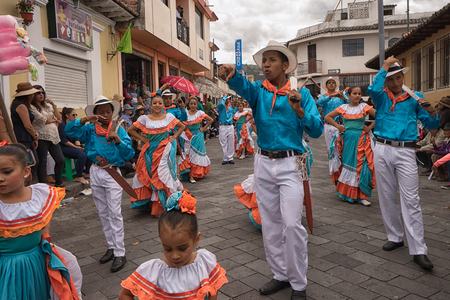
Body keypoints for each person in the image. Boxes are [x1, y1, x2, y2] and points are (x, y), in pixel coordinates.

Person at [219, 40, 323, 300]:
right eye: (264, 61)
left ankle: (299, 282)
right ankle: (280, 274)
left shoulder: (302, 94)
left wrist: (299, 109)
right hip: (263, 163)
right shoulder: (258, 91)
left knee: (291, 224)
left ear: (285, 65)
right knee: (271, 225)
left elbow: (317, 130)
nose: (265, 64)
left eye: (272, 60)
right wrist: (231, 73)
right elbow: (240, 84)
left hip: (291, 163)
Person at [367, 57, 439, 270]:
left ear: (403, 77)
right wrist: (385, 67)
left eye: (398, 78)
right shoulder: (380, 97)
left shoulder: (415, 98)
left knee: (411, 199)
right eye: (391, 79)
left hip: (407, 150)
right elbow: (372, 88)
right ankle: (395, 236)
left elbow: (432, 125)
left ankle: (419, 249)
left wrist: (432, 111)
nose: (395, 82)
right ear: (386, 80)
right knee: (386, 195)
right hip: (381, 147)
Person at [0, 143, 82, 300]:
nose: (0, 178)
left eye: (7, 171)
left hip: (38, 262)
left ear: (26, 171)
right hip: (6, 269)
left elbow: (45, 221)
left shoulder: (40, 195)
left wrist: (45, 239)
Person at [66, 95, 134, 272]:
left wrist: (118, 141)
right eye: (101, 112)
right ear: (95, 114)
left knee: (115, 213)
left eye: (108, 111)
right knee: (103, 212)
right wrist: (86, 119)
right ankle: (111, 247)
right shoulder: (88, 130)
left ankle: (120, 252)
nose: (105, 114)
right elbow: (69, 131)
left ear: (112, 112)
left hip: (113, 172)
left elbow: (128, 154)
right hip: (96, 171)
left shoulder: (119, 130)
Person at [119, 190, 227, 300]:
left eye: (182, 248)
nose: (175, 256)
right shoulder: (154, 272)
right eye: (168, 249)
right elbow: (125, 295)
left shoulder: (205, 262)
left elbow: (213, 289)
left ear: (196, 239)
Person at [127, 94, 185, 215]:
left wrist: (173, 137)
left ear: (163, 105)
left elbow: (182, 126)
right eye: (155, 103)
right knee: (152, 174)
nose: (157, 105)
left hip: (165, 149)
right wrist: (143, 140)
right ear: (150, 105)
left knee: (164, 174)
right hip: (151, 150)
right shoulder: (144, 118)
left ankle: (165, 204)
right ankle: (155, 204)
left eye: (160, 103)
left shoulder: (168, 116)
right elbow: (130, 130)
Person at [325, 86, 376, 206]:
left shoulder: (364, 107)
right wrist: (338, 126)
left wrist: (369, 127)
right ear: (349, 95)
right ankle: (346, 193)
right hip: (347, 139)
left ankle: (362, 195)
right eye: (354, 93)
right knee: (347, 165)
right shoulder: (344, 107)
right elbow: (327, 117)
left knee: (363, 166)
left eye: (359, 93)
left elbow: (381, 115)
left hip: (361, 139)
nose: (357, 95)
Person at [30, 85, 65, 188]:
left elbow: (59, 117)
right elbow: (42, 119)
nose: (41, 94)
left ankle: (59, 183)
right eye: (38, 93)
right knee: (42, 162)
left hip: (54, 136)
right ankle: (42, 185)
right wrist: (54, 121)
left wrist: (53, 105)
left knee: (60, 160)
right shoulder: (31, 107)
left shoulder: (46, 106)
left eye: (42, 93)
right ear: (33, 95)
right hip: (41, 136)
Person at [317, 77, 348, 184]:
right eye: (329, 83)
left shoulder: (341, 96)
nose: (331, 84)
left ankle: (343, 172)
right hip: (329, 126)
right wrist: (331, 96)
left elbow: (349, 103)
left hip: (340, 125)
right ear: (326, 86)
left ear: (336, 85)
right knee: (332, 150)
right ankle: (335, 174)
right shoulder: (324, 96)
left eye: (333, 83)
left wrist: (343, 98)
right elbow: (320, 103)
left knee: (341, 150)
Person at [178, 97, 213, 183]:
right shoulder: (185, 113)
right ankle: (188, 172)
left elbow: (211, 120)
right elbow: (180, 121)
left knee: (195, 155)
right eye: (191, 104)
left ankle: (194, 174)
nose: (193, 105)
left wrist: (203, 128)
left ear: (197, 105)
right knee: (188, 154)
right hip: (187, 135)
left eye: (195, 104)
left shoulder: (200, 113)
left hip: (197, 135)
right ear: (188, 104)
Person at [10, 83, 40, 177]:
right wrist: (35, 136)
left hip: (26, 138)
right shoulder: (21, 106)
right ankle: (26, 185)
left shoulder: (19, 104)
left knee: (31, 163)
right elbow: (27, 125)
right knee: (30, 163)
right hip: (23, 138)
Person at [58, 107, 91, 184]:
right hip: (64, 147)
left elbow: (76, 139)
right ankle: (79, 176)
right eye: (73, 114)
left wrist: (80, 147)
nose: (75, 116)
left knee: (88, 150)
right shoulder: (62, 125)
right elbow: (64, 141)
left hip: (72, 146)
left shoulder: (74, 126)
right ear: (67, 115)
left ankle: (87, 172)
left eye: (76, 114)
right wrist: (77, 148)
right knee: (81, 155)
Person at [217, 95, 238, 165]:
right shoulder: (220, 106)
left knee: (231, 141)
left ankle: (230, 157)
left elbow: (233, 113)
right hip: (222, 126)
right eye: (226, 99)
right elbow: (221, 104)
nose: (227, 100)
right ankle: (225, 158)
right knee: (223, 142)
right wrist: (224, 97)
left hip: (230, 125)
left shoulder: (230, 107)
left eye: (228, 99)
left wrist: (238, 107)